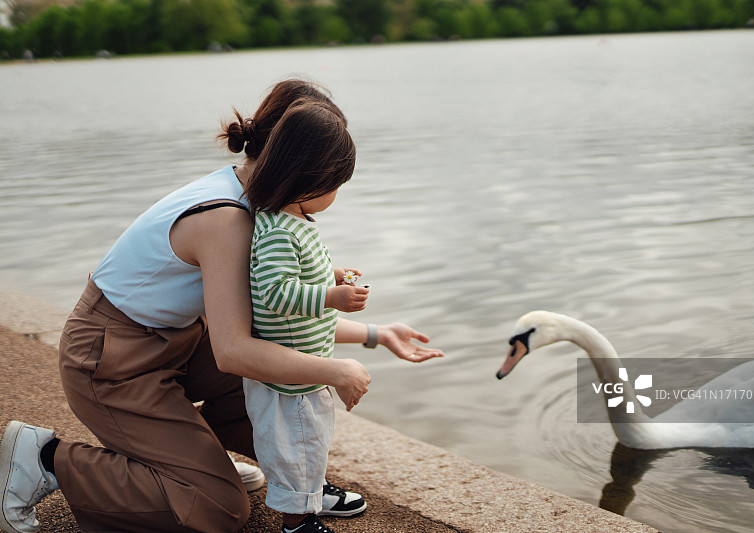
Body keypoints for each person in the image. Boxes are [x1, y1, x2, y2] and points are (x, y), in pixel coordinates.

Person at [0, 79, 443, 533]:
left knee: (282, 383)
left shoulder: (256, 203)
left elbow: (277, 322)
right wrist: (335, 371)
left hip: (175, 342)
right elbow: (234, 351)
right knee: (218, 507)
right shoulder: (228, 220)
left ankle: (207, 457)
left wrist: (377, 333)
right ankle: (45, 459)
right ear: (300, 167)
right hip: (110, 359)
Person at [242, 99, 441, 533]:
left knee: (309, 442)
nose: (336, 195)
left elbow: (294, 272)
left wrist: (330, 273)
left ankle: (311, 497)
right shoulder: (277, 228)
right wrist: (330, 296)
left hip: (303, 368)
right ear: (308, 180)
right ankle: (298, 523)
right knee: (297, 445)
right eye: (336, 185)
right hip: (289, 376)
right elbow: (273, 291)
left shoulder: (291, 222)